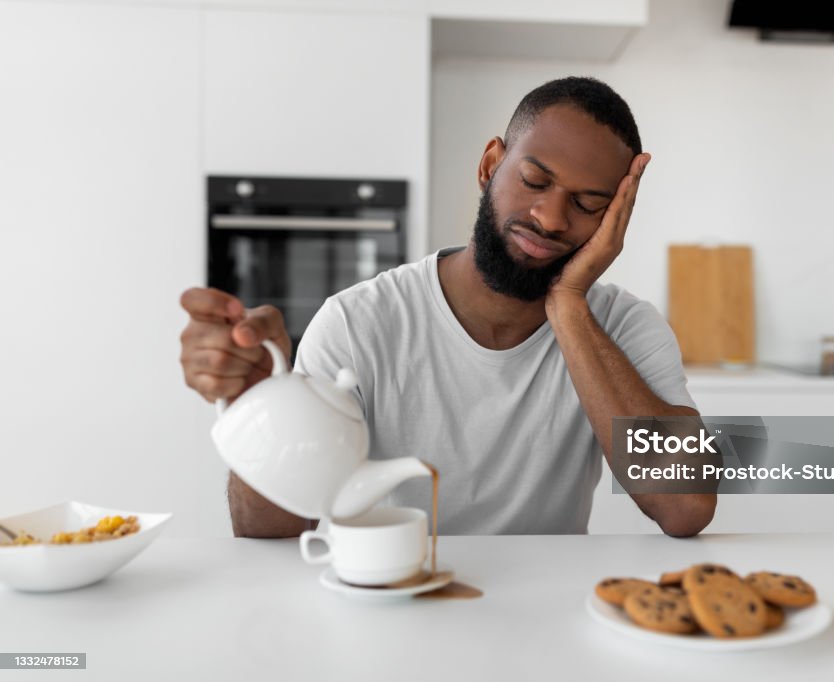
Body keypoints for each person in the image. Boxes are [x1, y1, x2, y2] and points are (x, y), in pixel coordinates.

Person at [179, 76, 717, 538]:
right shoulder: (357, 323)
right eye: (535, 181)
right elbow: (266, 534)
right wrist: (262, 408)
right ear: (490, 165)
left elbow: (686, 504)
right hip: (382, 609)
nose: (551, 218)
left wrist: (571, 306)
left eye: (587, 204)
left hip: (544, 624)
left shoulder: (625, 327)